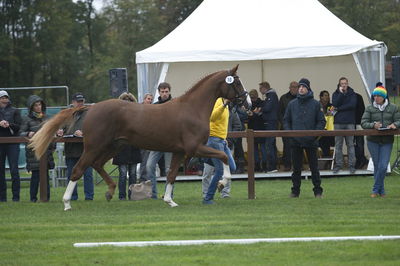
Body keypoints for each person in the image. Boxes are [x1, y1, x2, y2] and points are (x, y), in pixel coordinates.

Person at [283, 78, 325, 198]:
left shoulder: (316, 104)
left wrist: (314, 135)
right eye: (299, 87)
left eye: (303, 87)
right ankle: (295, 191)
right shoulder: (292, 104)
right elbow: (286, 121)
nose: (301, 89)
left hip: (311, 141)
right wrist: (290, 134)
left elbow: (321, 121)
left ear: (308, 89)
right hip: (295, 141)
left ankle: (318, 191)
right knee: (296, 169)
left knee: (314, 168)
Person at [361, 86, 400, 198]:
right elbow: (363, 123)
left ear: (384, 97)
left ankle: (375, 189)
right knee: (378, 166)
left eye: (378, 96)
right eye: (375, 96)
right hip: (373, 141)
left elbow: (399, 120)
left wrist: (395, 125)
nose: (376, 98)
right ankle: (381, 191)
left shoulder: (393, 108)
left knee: (383, 166)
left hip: (387, 141)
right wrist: (373, 125)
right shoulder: (369, 108)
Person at [56, 92, 94, 200]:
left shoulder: (90, 114)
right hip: (71, 149)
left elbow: (95, 130)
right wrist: (59, 132)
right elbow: (61, 129)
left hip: (85, 150)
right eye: (78, 101)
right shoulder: (67, 114)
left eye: (81, 101)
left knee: (88, 175)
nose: (80, 104)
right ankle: (73, 196)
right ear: (72, 102)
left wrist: (83, 133)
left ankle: (89, 197)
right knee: (71, 175)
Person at [19, 95, 55, 202]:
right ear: (31, 107)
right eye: (35, 105)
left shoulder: (47, 118)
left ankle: (46, 198)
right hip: (33, 151)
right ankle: (33, 199)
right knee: (35, 176)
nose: (38, 107)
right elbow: (20, 133)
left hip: (46, 150)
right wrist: (28, 133)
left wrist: (57, 132)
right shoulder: (26, 119)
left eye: (39, 104)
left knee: (45, 177)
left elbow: (52, 131)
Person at [202, 98, 236, 204]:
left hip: (222, 141)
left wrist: (224, 138)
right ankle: (208, 198)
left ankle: (205, 158)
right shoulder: (217, 101)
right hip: (214, 139)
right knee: (220, 170)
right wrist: (223, 105)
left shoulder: (227, 104)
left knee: (232, 167)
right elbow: (212, 117)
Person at [112, 93, 142, 200]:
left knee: (133, 174)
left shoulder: (137, 117)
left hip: (133, 148)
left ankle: (133, 195)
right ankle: (122, 196)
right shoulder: (117, 117)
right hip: (121, 149)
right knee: (123, 174)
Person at [146, 83, 173, 199]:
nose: (164, 94)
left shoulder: (174, 105)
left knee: (169, 170)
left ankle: (169, 193)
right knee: (149, 166)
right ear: (159, 92)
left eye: (166, 91)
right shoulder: (154, 106)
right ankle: (154, 194)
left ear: (169, 91)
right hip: (157, 143)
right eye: (162, 92)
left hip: (171, 143)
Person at [332, 77, 357, 174]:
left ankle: (351, 166)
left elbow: (352, 105)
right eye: (342, 83)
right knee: (338, 145)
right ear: (339, 84)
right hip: (338, 122)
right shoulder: (335, 94)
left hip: (350, 122)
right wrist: (341, 94)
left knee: (350, 145)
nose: (344, 85)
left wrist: (339, 108)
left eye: (345, 83)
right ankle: (338, 165)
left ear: (348, 83)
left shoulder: (352, 94)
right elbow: (334, 104)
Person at [0, 90, 22, 202]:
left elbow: (19, 126)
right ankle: (2, 198)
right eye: (2, 98)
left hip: (13, 143)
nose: (4, 100)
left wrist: (9, 124)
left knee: (14, 170)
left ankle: (16, 198)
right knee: (0, 171)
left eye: (6, 97)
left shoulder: (15, 111)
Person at [278, 81, 299, 171]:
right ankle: (287, 165)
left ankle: (298, 165)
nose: (294, 88)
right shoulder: (283, 98)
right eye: (292, 87)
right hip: (286, 127)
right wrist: (284, 124)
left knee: (298, 147)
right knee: (287, 147)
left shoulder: (301, 98)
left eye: (296, 87)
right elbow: (279, 113)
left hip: (298, 128)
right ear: (289, 88)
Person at [259, 81, 278, 172]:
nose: (260, 90)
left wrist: (260, 109)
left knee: (269, 145)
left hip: (271, 123)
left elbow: (267, 108)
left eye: (260, 88)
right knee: (271, 144)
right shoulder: (270, 96)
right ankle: (273, 166)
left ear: (264, 88)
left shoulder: (271, 96)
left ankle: (272, 167)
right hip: (271, 123)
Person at [247, 89, 266, 172]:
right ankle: (263, 166)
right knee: (262, 149)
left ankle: (259, 166)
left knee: (256, 150)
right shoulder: (262, 103)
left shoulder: (249, 105)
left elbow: (248, 116)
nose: (252, 99)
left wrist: (252, 114)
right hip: (260, 128)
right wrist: (255, 114)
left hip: (253, 129)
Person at [139, 93, 153, 182]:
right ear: (144, 99)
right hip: (142, 139)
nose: (150, 101)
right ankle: (143, 179)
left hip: (150, 139)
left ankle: (147, 178)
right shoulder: (139, 110)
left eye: (151, 99)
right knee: (144, 161)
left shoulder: (152, 109)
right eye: (148, 99)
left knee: (148, 161)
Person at [318, 90, 335, 158]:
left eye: (328, 96)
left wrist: (331, 113)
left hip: (329, 130)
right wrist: (325, 114)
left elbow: (335, 114)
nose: (327, 97)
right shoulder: (316, 105)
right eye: (325, 95)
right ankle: (325, 158)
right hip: (319, 130)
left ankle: (327, 159)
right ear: (321, 97)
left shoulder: (332, 106)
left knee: (328, 141)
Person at [354, 92, 368, 169]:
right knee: (353, 144)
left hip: (357, 123)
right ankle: (360, 159)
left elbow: (362, 110)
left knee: (359, 143)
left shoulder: (357, 96)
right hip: (350, 124)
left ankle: (361, 159)